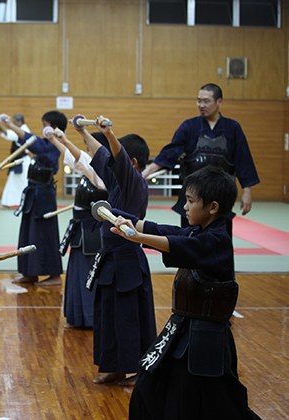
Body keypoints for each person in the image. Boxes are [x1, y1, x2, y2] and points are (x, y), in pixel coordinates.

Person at [109, 166, 260, 420]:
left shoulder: (217, 240)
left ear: (212, 207)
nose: (185, 207)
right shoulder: (200, 230)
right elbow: (168, 231)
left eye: (190, 201)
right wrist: (119, 216)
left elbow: (181, 244)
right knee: (149, 386)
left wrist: (135, 236)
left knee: (218, 406)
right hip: (181, 330)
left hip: (207, 340)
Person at [78, 115, 156, 386]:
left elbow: (115, 156)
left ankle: (137, 370)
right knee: (108, 315)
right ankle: (114, 367)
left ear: (132, 164)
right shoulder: (116, 185)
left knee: (129, 318)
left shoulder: (134, 182)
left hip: (128, 262)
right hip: (109, 261)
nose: (111, 165)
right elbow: (100, 156)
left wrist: (108, 133)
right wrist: (83, 132)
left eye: (118, 161)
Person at [142, 83, 259, 234]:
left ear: (219, 102)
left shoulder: (233, 128)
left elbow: (243, 160)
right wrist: (145, 173)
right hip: (193, 194)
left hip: (220, 195)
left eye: (206, 101)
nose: (201, 105)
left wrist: (247, 191)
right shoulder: (189, 126)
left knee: (220, 241)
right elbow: (169, 153)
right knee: (189, 239)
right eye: (199, 101)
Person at [48, 126, 108, 328]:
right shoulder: (90, 169)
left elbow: (81, 159)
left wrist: (64, 139)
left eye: (90, 149)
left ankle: (90, 318)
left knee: (88, 275)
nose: (88, 153)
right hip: (81, 230)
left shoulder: (104, 174)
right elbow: (74, 158)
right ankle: (79, 316)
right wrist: (55, 141)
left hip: (93, 233)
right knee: (77, 274)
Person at [0, 110, 64, 287]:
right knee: (29, 234)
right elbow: (27, 141)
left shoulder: (54, 145)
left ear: (55, 128)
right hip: (33, 193)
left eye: (45, 125)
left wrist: (10, 125)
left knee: (44, 235)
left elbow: (33, 144)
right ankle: (30, 273)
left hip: (44, 197)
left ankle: (55, 275)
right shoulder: (44, 143)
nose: (42, 128)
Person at [0, 114, 32, 209]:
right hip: (19, 160)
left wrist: (0, 126)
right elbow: (9, 133)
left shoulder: (24, 131)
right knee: (13, 181)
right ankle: (8, 203)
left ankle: (26, 203)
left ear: (19, 121)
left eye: (15, 121)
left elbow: (11, 135)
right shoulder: (20, 129)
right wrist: (0, 127)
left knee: (24, 183)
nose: (14, 123)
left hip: (23, 161)